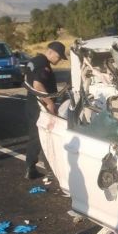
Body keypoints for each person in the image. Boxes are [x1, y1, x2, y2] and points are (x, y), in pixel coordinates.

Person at [24, 41, 66, 179]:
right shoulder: (44, 66)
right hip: (39, 105)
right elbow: (38, 84)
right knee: (45, 136)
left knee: (35, 135)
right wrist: (49, 103)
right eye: (59, 57)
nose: (59, 60)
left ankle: (30, 167)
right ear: (51, 52)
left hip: (31, 103)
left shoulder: (34, 61)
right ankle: (48, 170)